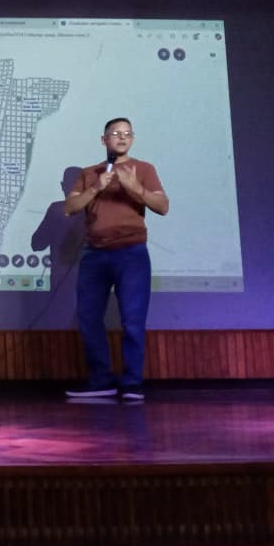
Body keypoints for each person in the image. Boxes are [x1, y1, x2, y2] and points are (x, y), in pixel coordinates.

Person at [63, 118, 169, 402]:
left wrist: (135, 188)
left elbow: (162, 207)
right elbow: (70, 208)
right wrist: (96, 187)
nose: (122, 138)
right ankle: (101, 381)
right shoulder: (89, 173)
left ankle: (132, 383)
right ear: (104, 140)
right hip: (94, 255)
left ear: (132, 139)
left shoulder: (144, 169)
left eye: (127, 134)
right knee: (88, 319)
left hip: (131, 253)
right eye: (115, 133)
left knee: (133, 320)